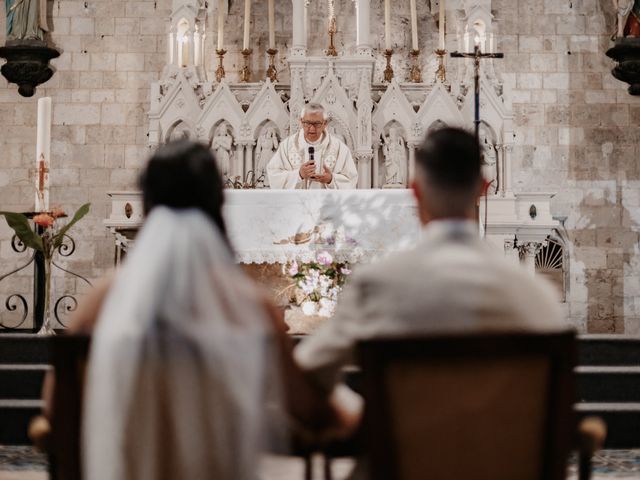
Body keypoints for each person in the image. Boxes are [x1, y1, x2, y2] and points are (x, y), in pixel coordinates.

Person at [71, 140, 344, 480]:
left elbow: (59, 412)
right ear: (218, 202)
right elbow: (304, 409)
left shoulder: (97, 305)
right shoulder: (251, 307)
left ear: (149, 200)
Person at [294, 127, 569, 433]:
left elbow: (304, 373)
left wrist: (365, 417)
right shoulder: (535, 296)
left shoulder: (377, 286)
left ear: (415, 191)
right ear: (484, 188)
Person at [267, 103, 358, 189]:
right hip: (296, 203)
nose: (312, 128)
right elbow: (274, 176)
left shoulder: (340, 148)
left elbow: (351, 180)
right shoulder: (287, 146)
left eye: (317, 124)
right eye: (307, 123)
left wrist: (331, 179)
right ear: (301, 122)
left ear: (325, 123)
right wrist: (299, 175)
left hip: (327, 203)